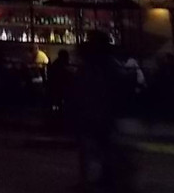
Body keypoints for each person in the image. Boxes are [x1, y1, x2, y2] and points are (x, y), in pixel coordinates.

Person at [68, 31, 132, 191]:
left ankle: (95, 179)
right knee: (101, 148)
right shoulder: (108, 65)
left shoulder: (92, 66)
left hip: (94, 112)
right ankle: (104, 178)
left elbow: (81, 88)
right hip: (100, 113)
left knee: (92, 148)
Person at [47, 49, 71, 116]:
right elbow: (63, 76)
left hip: (55, 85)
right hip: (58, 85)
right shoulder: (59, 65)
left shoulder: (57, 63)